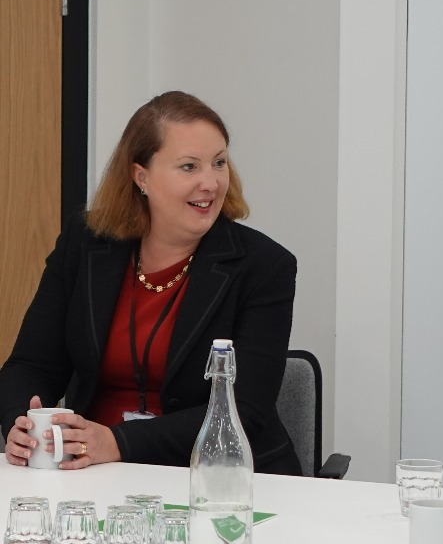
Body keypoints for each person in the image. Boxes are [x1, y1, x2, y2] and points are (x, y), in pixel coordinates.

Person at [1, 91, 302, 475]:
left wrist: (116, 441)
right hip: (93, 474)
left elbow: (246, 409)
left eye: (219, 163)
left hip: (217, 477)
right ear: (141, 176)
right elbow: (31, 365)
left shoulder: (264, 265)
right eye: (189, 167)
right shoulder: (86, 242)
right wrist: (22, 424)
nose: (211, 182)